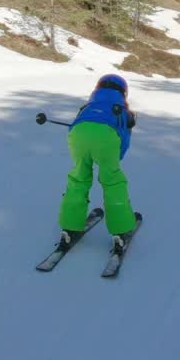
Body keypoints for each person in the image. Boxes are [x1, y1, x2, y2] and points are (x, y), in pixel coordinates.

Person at [56, 73, 139, 253]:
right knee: (112, 181)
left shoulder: (88, 106)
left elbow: (74, 126)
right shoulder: (122, 110)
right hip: (107, 138)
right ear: (123, 92)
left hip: (77, 135)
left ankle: (69, 226)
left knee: (78, 178)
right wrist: (114, 158)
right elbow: (123, 141)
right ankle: (120, 231)